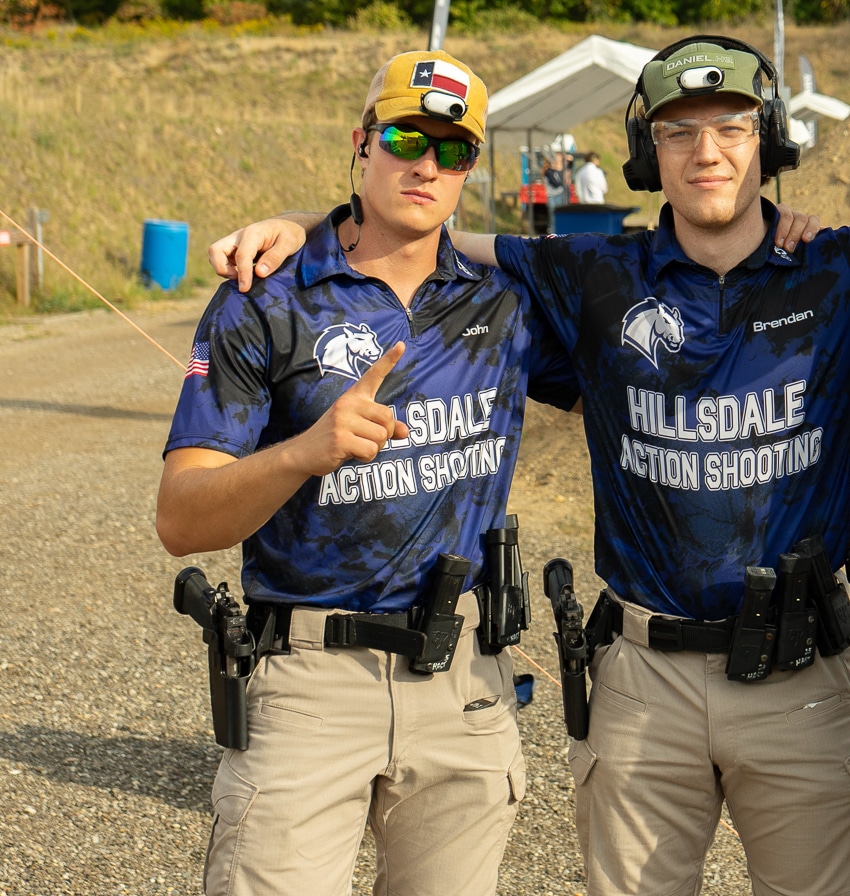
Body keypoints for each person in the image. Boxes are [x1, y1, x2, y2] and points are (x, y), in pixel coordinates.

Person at [206, 34, 850, 896]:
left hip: (806, 681)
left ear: (772, 143)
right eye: (678, 130)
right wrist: (296, 225)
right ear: (647, 149)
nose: (707, 151)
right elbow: (421, 236)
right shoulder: (591, 274)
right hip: (643, 679)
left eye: (734, 127)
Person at [155, 49, 578, 896]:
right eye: (403, 137)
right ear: (363, 143)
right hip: (310, 685)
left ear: (471, 169)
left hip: (464, 683)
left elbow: (672, 298)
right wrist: (306, 450)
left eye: (453, 150)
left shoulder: (509, 300)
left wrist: (778, 227)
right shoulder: (266, 296)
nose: (426, 163)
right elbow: (182, 520)